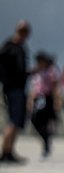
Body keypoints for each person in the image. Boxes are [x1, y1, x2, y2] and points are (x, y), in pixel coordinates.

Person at [0, 20, 31, 164]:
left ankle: (9, 152)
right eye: (22, 30)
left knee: (16, 121)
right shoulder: (9, 46)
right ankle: (5, 152)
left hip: (19, 88)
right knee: (13, 121)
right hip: (13, 89)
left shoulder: (21, 48)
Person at [28, 51, 59, 158]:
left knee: (46, 121)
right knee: (34, 119)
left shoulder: (51, 71)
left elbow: (55, 87)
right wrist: (30, 100)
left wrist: (56, 101)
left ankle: (46, 145)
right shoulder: (36, 72)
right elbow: (33, 87)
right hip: (38, 98)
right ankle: (46, 139)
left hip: (47, 97)